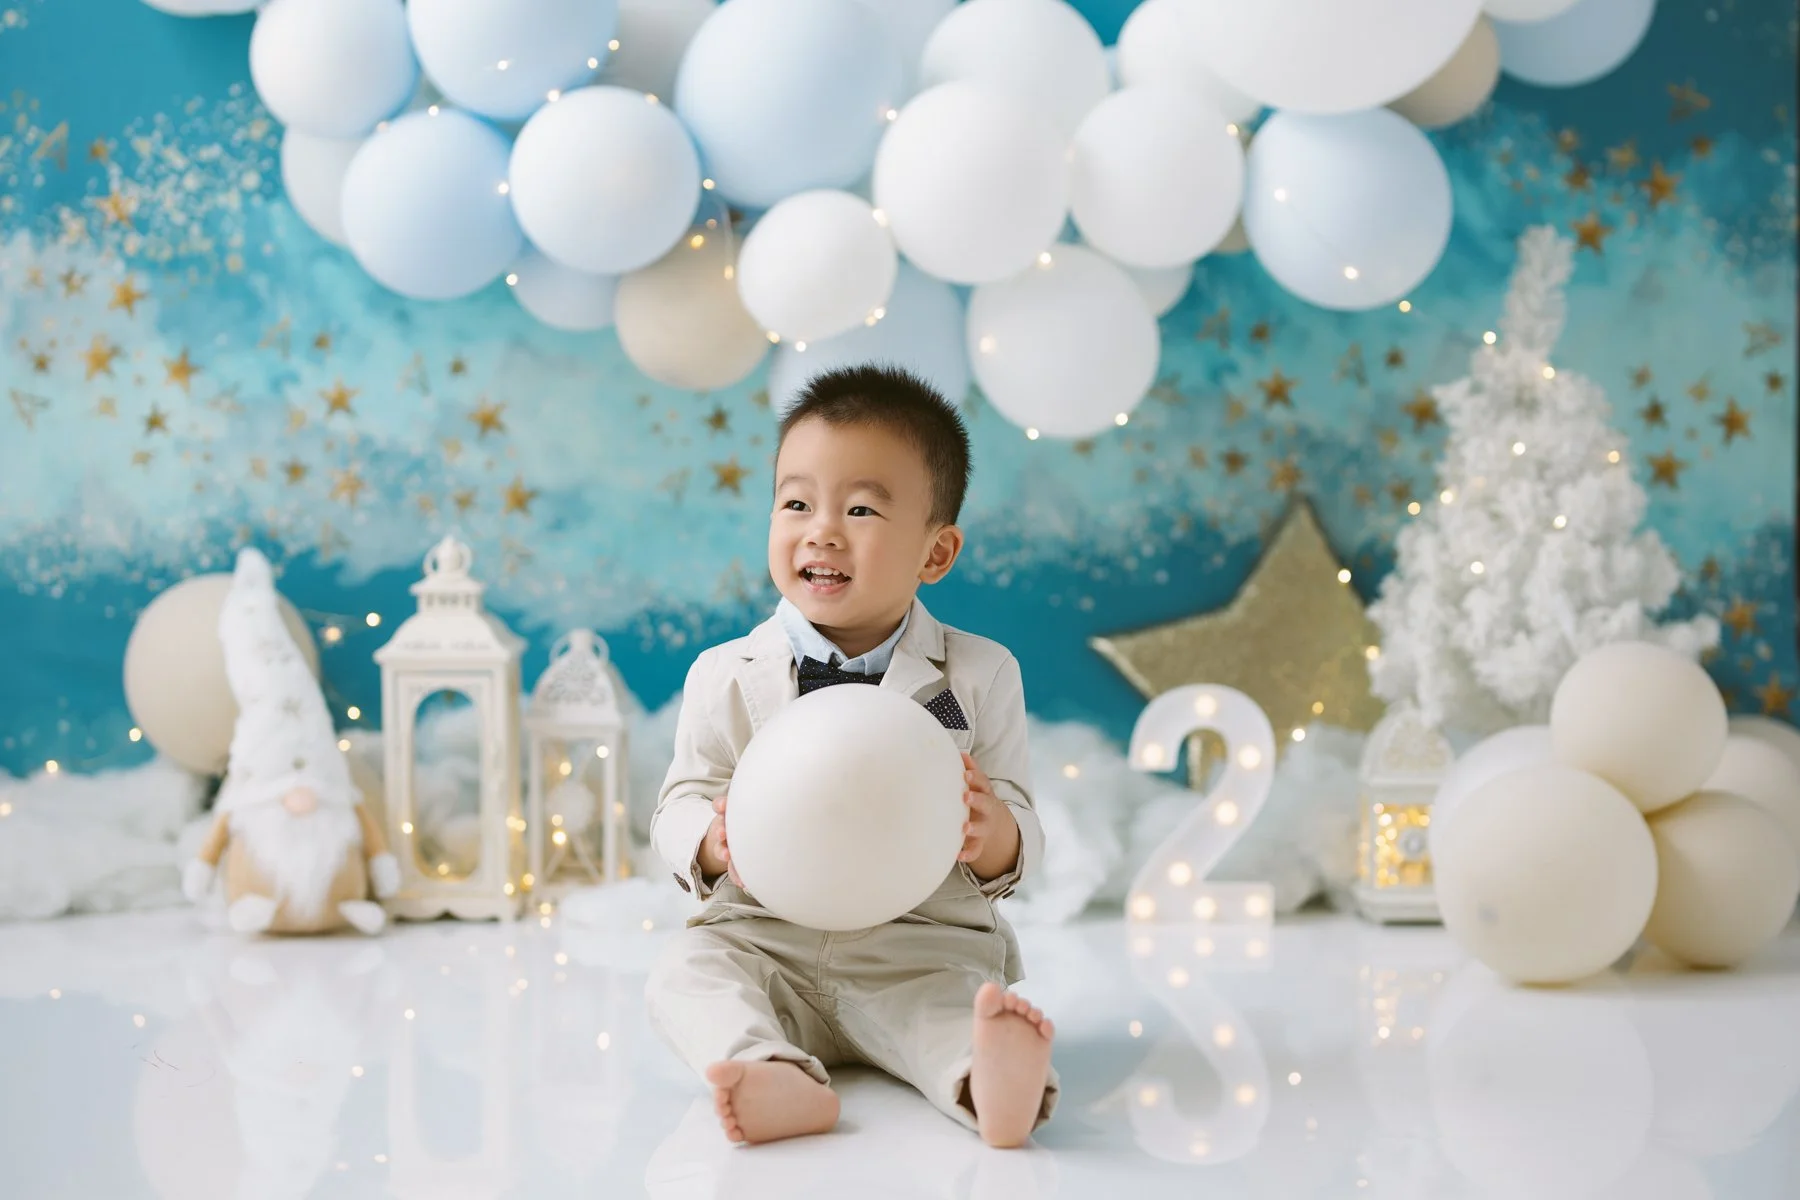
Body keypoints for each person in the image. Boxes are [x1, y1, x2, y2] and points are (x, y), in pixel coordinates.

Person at [646, 365, 1057, 1149]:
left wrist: (995, 831)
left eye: (861, 509)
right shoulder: (724, 674)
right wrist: (710, 837)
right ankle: (767, 1068)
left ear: (936, 552)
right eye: (797, 503)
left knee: (948, 1007)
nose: (822, 531)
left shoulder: (980, 674)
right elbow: (679, 799)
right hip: (763, 934)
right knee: (686, 972)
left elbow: (1023, 818)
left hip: (917, 943)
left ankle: (988, 1078)